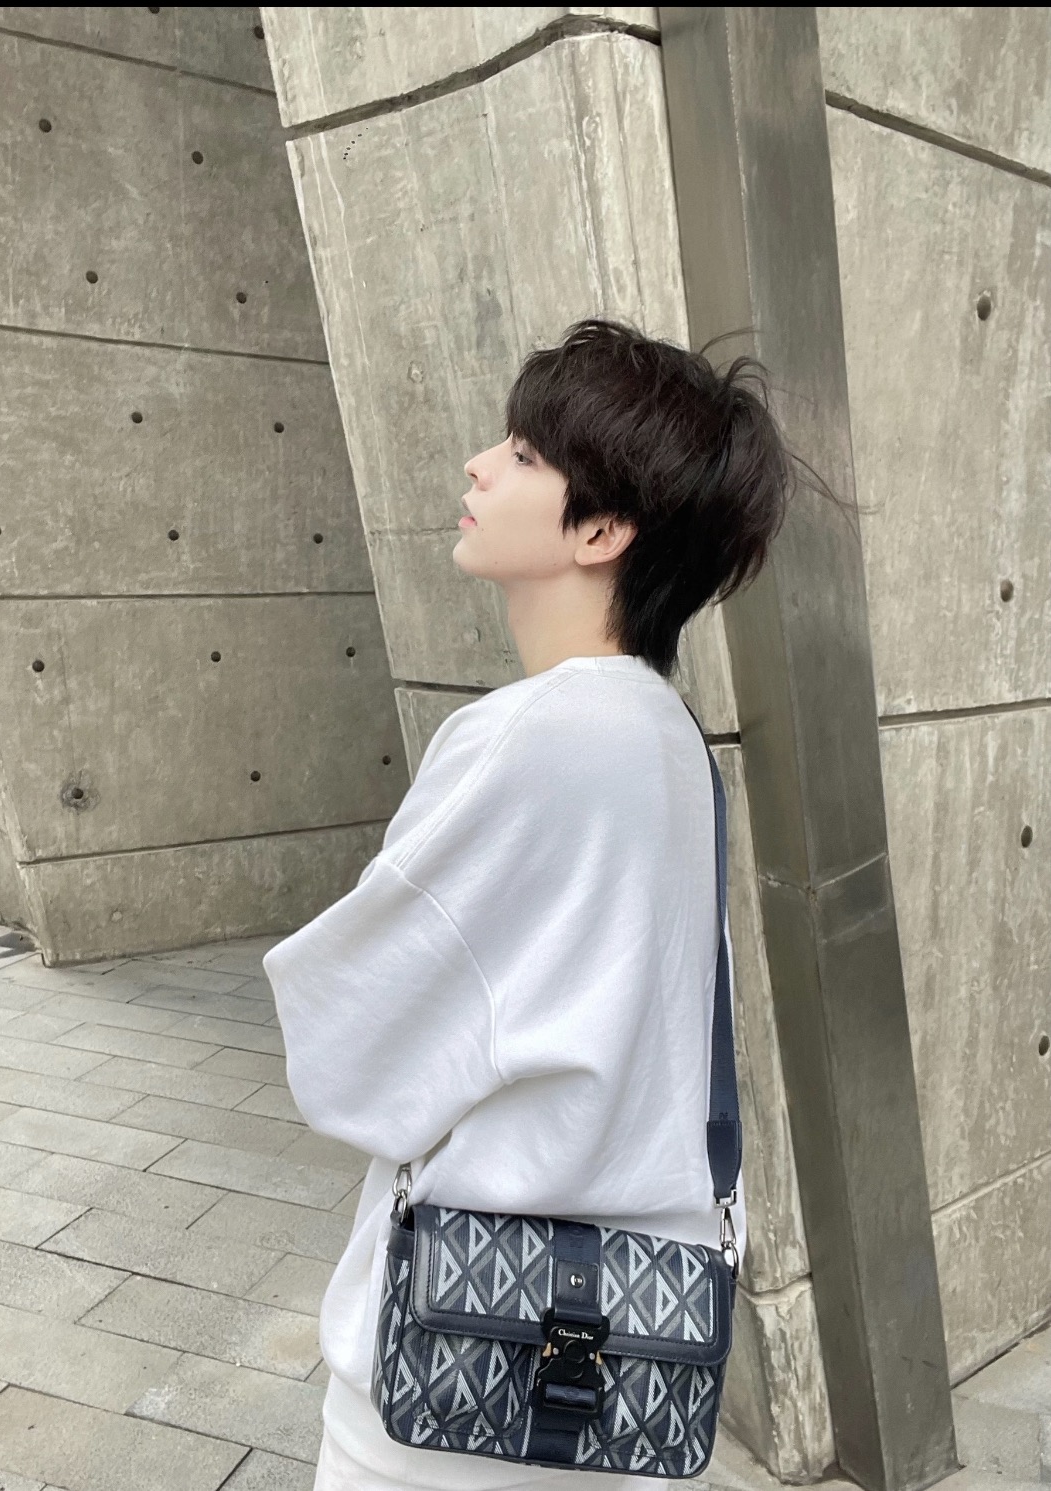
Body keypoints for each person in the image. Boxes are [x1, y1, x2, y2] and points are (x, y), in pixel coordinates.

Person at [262, 318, 798, 1489]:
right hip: (630, 1356)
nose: (479, 466)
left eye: (521, 453)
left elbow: (351, 1049)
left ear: (601, 530)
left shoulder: (525, 738)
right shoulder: (670, 741)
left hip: (455, 1365)